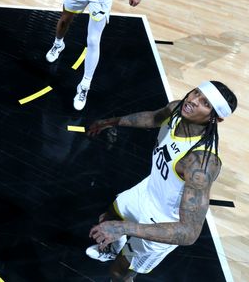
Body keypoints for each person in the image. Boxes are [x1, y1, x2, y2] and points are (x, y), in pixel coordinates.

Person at [84, 81, 238, 280]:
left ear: (216, 118)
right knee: (108, 217)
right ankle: (113, 248)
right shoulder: (177, 109)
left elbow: (189, 232)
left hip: (164, 222)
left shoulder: (201, 164)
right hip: (148, 190)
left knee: (118, 273)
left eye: (205, 103)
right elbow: (152, 118)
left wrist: (123, 228)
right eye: (196, 92)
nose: (192, 100)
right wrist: (112, 122)